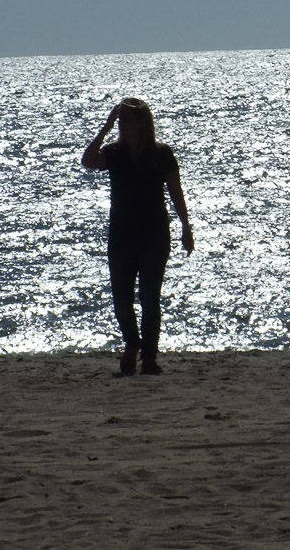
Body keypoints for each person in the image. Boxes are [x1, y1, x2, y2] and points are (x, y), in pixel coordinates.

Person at [82, 98, 193, 376]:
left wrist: (186, 226)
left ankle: (150, 357)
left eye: (125, 119)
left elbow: (176, 192)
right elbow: (88, 161)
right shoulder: (114, 153)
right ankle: (132, 345)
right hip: (122, 234)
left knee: (149, 296)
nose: (121, 123)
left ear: (141, 123)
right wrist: (105, 127)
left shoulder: (161, 153)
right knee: (121, 297)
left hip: (154, 233)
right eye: (119, 119)